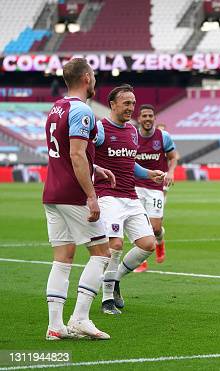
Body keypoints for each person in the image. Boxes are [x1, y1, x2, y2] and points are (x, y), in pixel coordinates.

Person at [42, 58, 114, 340]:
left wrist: (95, 166)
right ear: (86, 78)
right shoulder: (81, 109)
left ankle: (55, 326)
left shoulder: (56, 107)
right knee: (102, 253)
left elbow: (64, 152)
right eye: (93, 75)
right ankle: (80, 318)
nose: (94, 80)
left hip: (52, 193)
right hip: (73, 194)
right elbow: (74, 154)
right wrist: (92, 196)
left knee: (63, 257)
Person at [94, 85, 165, 314]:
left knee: (148, 244)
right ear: (112, 104)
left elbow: (129, 163)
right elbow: (83, 156)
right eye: (126, 103)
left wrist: (148, 173)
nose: (130, 108)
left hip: (130, 196)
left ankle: (115, 280)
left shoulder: (132, 131)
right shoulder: (100, 129)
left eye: (133, 103)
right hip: (107, 196)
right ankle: (107, 300)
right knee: (115, 245)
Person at [132, 105, 178, 273]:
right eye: (144, 116)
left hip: (155, 187)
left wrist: (171, 171)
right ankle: (141, 260)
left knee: (156, 228)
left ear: (154, 118)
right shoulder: (132, 136)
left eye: (150, 116)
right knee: (139, 224)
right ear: (139, 118)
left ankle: (160, 242)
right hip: (135, 185)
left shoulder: (163, 137)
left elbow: (173, 157)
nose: (148, 119)